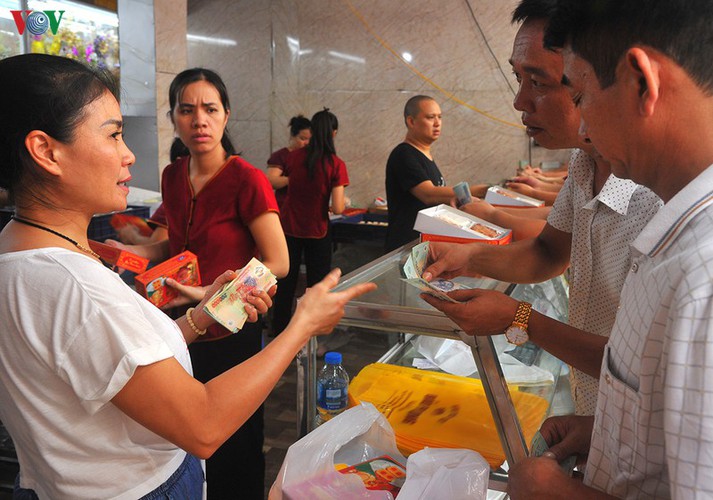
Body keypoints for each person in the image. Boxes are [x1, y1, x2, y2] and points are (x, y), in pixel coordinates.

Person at [0, 53, 376, 499]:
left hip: (217, 320)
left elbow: (120, 370)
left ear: (226, 116)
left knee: (238, 452)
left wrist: (202, 311)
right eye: (114, 134)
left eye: (210, 109)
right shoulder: (80, 284)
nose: (128, 153)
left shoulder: (17, 244)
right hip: (134, 481)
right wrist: (303, 325)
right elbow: (202, 423)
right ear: (45, 151)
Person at [421, 0, 661, 417]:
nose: (520, 102)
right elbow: (549, 251)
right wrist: (470, 256)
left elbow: (645, 370)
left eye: (540, 83)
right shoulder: (585, 163)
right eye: (518, 78)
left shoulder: (656, 196)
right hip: (598, 413)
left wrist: (520, 318)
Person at [511, 1, 713, 497]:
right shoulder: (675, 233)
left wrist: (552, 493)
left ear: (641, 82)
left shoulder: (701, 276)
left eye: (580, 94)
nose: (582, 130)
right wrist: (607, 432)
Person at [112, 67, 290, 499]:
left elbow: (278, 262)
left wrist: (213, 291)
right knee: (191, 431)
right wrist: (129, 247)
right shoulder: (173, 175)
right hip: (184, 324)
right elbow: (174, 244)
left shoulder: (246, 178)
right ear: (173, 118)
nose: (199, 120)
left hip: (234, 324)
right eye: (187, 110)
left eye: (210, 109)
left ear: (226, 116)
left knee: (237, 438)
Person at [271, 108, 350, 337]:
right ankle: (311, 336)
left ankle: (280, 334)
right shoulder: (336, 164)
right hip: (318, 231)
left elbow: (280, 180)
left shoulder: (293, 157)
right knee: (317, 288)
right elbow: (338, 207)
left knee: (285, 285)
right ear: (333, 133)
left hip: (289, 228)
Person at [384, 95, 486, 251]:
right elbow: (429, 194)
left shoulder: (425, 156)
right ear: (411, 121)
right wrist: (479, 190)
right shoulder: (403, 154)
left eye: (440, 117)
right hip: (406, 247)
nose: (437, 123)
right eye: (430, 117)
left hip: (425, 245)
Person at [266, 115, 311, 210]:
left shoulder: (311, 156)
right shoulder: (281, 155)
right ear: (292, 136)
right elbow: (270, 181)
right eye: (302, 139)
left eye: (310, 139)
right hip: (286, 208)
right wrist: (293, 179)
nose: (307, 143)